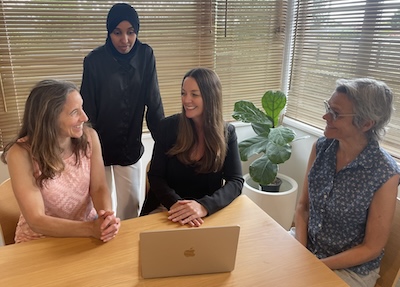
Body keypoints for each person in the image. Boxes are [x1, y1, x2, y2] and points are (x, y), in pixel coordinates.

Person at [294, 78, 400, 287]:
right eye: (328, 107)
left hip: (350, 270)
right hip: (307, 248)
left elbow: (371, 248)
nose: (325, 116)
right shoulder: (322, 147)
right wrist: (300, 254)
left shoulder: (384, 173)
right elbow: (303, 208)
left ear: (366, 123)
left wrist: (315, 266)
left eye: (335, 114)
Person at [1, 79, 120, 243]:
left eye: (82, 108)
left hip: (88, 232)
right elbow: (36, 220)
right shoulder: (20, 154)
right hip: (40, 239)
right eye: (74, 112)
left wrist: (106, 218)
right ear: (49, 117)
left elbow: (99, 187)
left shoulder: (90, 137)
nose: (84, 117)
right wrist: (91, 229)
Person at [80, 3, 164, 220]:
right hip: (99, 147)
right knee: (101, 211)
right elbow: (87, 109)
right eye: (118, 32)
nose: (124, 40)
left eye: (130, 32)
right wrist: (87, 148)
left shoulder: (146, 56)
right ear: (109, 32)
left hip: (129, 146)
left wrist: (165, 143)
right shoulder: (94, 61)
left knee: (130, 208)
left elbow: (153, 102)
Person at [140, 68, 244, 227]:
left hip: (206, 212)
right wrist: (177, 205)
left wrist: (204, 206)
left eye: (194, 94)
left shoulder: (227, 133)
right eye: (183, 93)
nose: (186, 100)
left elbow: (235, 181)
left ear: (210, 98)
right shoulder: (167, 127)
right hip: (168, 208)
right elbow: (155, 176)